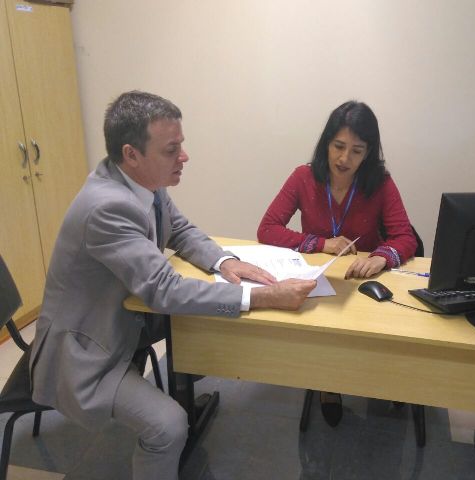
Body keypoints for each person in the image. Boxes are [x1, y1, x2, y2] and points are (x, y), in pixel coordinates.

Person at [28, 91, 316, 480]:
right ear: (132, 154)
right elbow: (165, 290)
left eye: (181, 144)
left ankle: (188, 382)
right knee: (168, 426)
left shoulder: (142, 181)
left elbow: (178, 228)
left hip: (123, 321)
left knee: (204, 332)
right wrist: (265, 296)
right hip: (84, 350)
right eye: (172, 149)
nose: (184, 156)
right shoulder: (106, 207)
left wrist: (225, 261)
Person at [257, 100, 417, 426]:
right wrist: (320, 243)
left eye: (357, 151)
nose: (344, 159)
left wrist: (381, 256)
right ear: (326, 144)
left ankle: (382, 379)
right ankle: (328, 385)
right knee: (325, 331)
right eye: (338, 146)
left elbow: (405, 237)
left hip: (362, 282)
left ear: (368, 153)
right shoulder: (303, 177)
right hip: (320, 280)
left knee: (375, 336)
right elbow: (267, 228)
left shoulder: (380, 184)